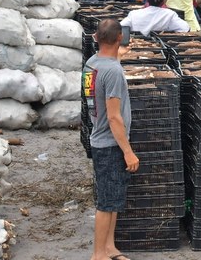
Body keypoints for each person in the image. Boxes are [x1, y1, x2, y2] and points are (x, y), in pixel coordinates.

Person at [83, 19, 139, 260]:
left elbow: (106, 71)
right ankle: (98, 255)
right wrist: (128, 151)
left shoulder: (92, 64)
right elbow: (115, 117)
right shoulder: (113, 71)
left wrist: (118, 54)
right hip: (110, 143)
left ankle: (109, 247)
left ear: (96, 38)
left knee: (112, 198)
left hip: (99, 137)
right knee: (106, 203)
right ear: (119, 38)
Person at [120, 0, 189, 35]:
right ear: (163, 1)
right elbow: (185, 28)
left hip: (136, 46)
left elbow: (120, 27)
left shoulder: (134, 14)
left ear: (147, 0)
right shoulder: (169, 14)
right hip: (159, 48)